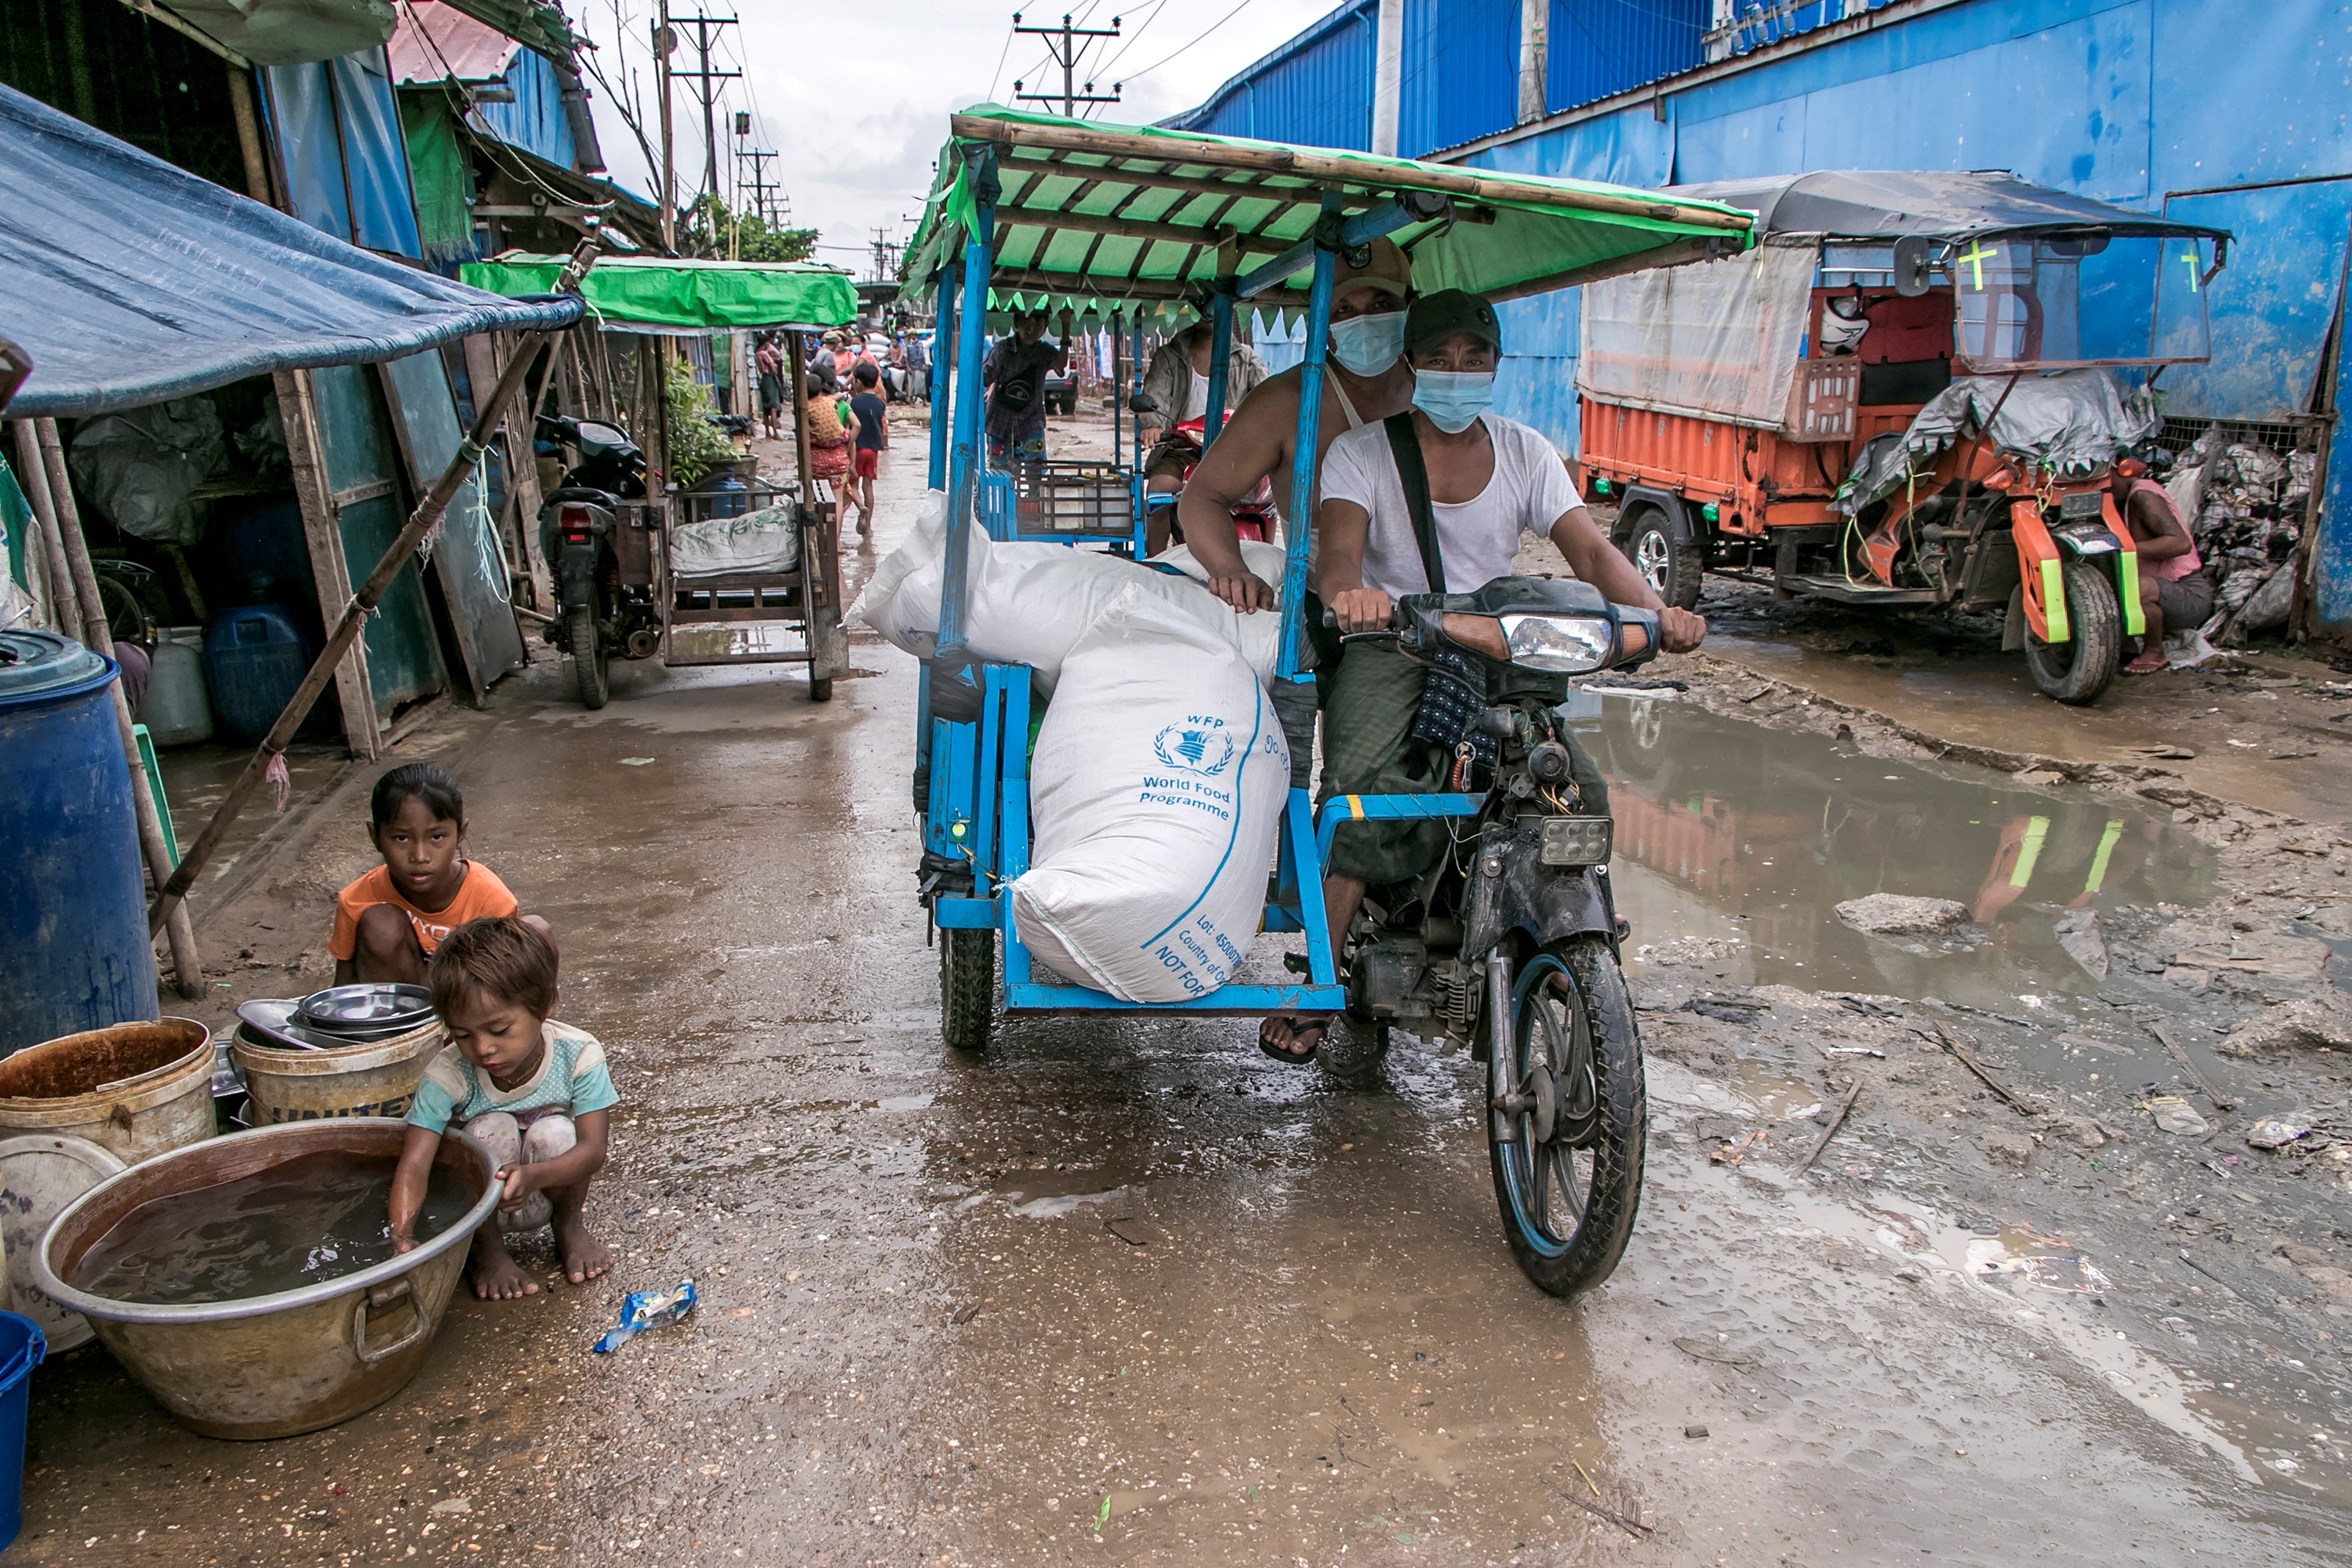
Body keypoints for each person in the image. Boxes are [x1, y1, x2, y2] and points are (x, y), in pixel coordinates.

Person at [1258, 291, 1708, 1064]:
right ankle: (1321, 984)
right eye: (1440, 359)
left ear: (1495, 366)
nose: (1457, 373)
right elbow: (1337, 558)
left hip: (1501, 643)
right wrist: (1351, 598)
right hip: (1393, 640)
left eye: (1474, 360)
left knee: (1577, 787)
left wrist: (1658, 612)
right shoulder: (1362, 453)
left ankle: (1575, 935)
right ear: (1413, 365)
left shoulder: (1527, 451)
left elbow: (1593, 557)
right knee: (1366, 792)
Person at [1174, 237, 1419, 610]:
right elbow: (1200, 499)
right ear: (1322, 318)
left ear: (1410, 308)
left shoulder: (1437, 389)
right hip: (1331, 611)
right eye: (1344, 310)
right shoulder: (1286, 402)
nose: (1364, 320)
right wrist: (1231, 569)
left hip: (1434, 602)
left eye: (1382, 305)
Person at [388, 916, 615, 1299]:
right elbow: (414, 1163)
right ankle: (489, 1250)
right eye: (462, 1035)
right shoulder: (446, 1076)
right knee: (485, 1131)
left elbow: (593, 1151)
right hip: (478, 1201)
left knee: (558, 1133)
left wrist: (533, 1176)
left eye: (498, 1030)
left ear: (545, 1006)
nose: (483, 1049)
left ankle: (569, 1225)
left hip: (544, 1179)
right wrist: (401, 1238)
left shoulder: (579, 1055)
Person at [330, 763, 550, 986]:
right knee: (380, 924)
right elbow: (343, 988)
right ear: (375, 837)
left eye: (436, 837)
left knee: (535, 932)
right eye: (401, 838)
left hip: (473, 1009)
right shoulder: (358, 900)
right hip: (406, 1012)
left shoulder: (490, 899)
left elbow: (506, 981)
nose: (420, 856)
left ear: (460, 834)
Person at [1136, 317, 1271, 553]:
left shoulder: (1246, 358)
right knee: (1158, 491)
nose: (1210, 316)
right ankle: (1154, 564)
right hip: (1182, 449)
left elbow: (1269, 395)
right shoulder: (1171, 356)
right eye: (1205, 309)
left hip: (1233, 451)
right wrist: (1153, 425)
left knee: (1267, 497)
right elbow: (1154, 396)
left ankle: (1271, 559)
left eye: (1216, 310)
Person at [2114, 466, 2213, 673]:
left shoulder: (2142, 496)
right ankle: (2128, 647)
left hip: (2189, 593)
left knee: (2138, 589)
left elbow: (2180, 544)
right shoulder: (2117, 502)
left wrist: (2126, 550)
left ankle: (2155, 652)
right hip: (2165, 592)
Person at [982, 306, 1071, 493]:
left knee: (1036, 473)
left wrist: (1066, 326)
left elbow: (1062, 363)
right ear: (1016, 323)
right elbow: (983, 378)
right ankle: (1005, 515)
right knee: (1001, 476)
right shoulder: (1002, 350)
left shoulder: (1044, 352)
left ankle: (1033, 513)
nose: (1032, 329)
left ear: (1046, 326)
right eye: (1026, 322)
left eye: (1038, 324)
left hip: (1030, 422)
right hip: (1000, 424)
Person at [847, 360, 889, 537]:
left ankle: (861, 507)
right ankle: (868, 527)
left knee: (852, 487)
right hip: (873, 451)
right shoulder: (881, 404)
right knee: (868, 487)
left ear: (858, 382)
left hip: (856, 450)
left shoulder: (853, 402)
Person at [801, 372, 854, 485]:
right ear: (821, 390)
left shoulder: (806, 407)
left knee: (820, 494)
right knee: (838, 499)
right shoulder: (830, 401)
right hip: (840, 458)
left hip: (819, 463)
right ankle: (853, 465)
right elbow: (857, 425)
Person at [755, 335, 786, 441]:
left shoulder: (757, 354)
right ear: (766, 343)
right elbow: (774, 369)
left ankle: (768, 433)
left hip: (763, 380)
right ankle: (775, 433)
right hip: (770, 379)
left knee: (766, 408)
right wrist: (776, 369)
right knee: (773, 407)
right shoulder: (765, 354)